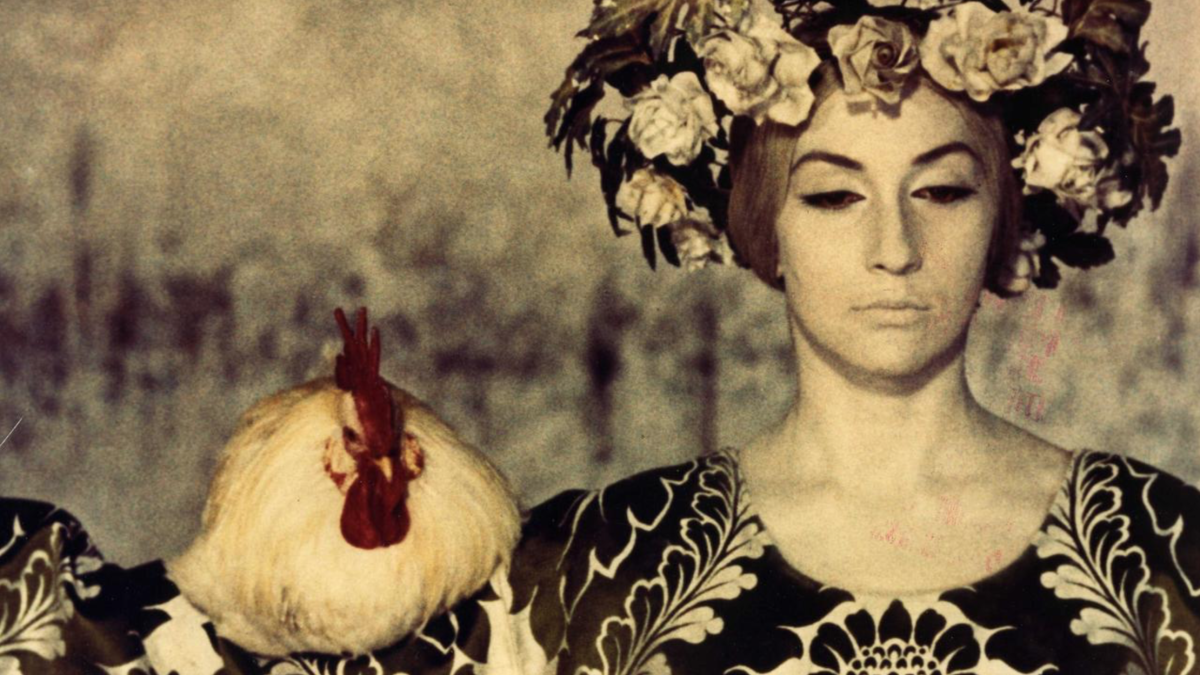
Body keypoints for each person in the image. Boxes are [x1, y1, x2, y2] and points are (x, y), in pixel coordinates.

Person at [0, 0, 1194, 672]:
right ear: (762, 224)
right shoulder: (589, 569)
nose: (894, 246)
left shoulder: (1169, 558)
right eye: (834, 194)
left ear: (1009, 213)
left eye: (941, 189)